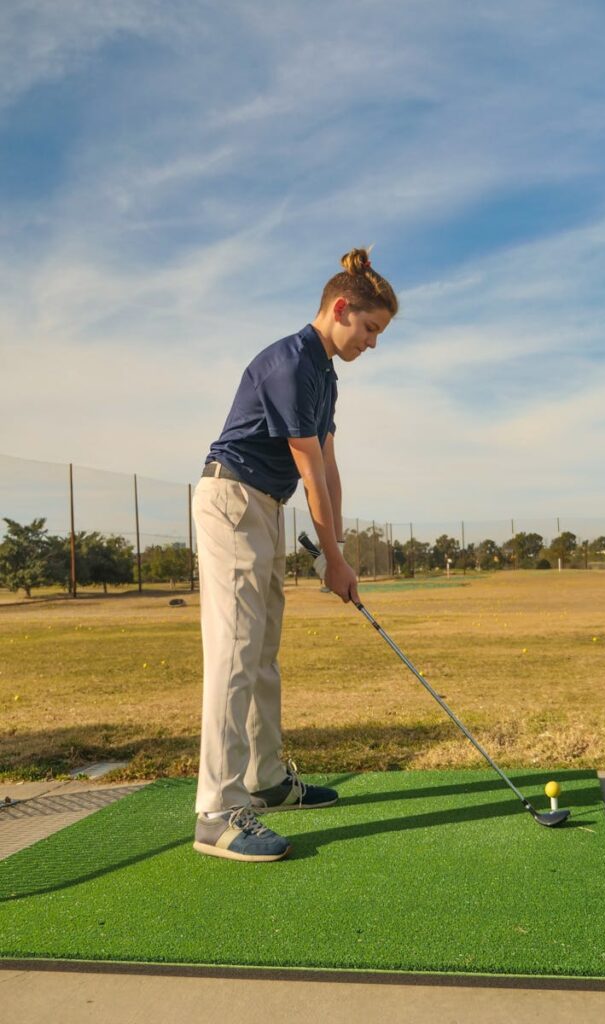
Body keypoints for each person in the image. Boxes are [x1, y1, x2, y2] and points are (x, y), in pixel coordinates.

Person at [192, 248, 398, 862]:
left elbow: (329, 467)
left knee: (262, 650)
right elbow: (308, 470)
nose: (372, 343)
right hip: (232, 498)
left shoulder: (323, 375)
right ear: (340, 308)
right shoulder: (288, 363)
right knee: (233, 651)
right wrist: (333, 560)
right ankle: (215, 810)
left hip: (263, 505)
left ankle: (265, 779)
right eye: (369, 328)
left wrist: (340, 552)